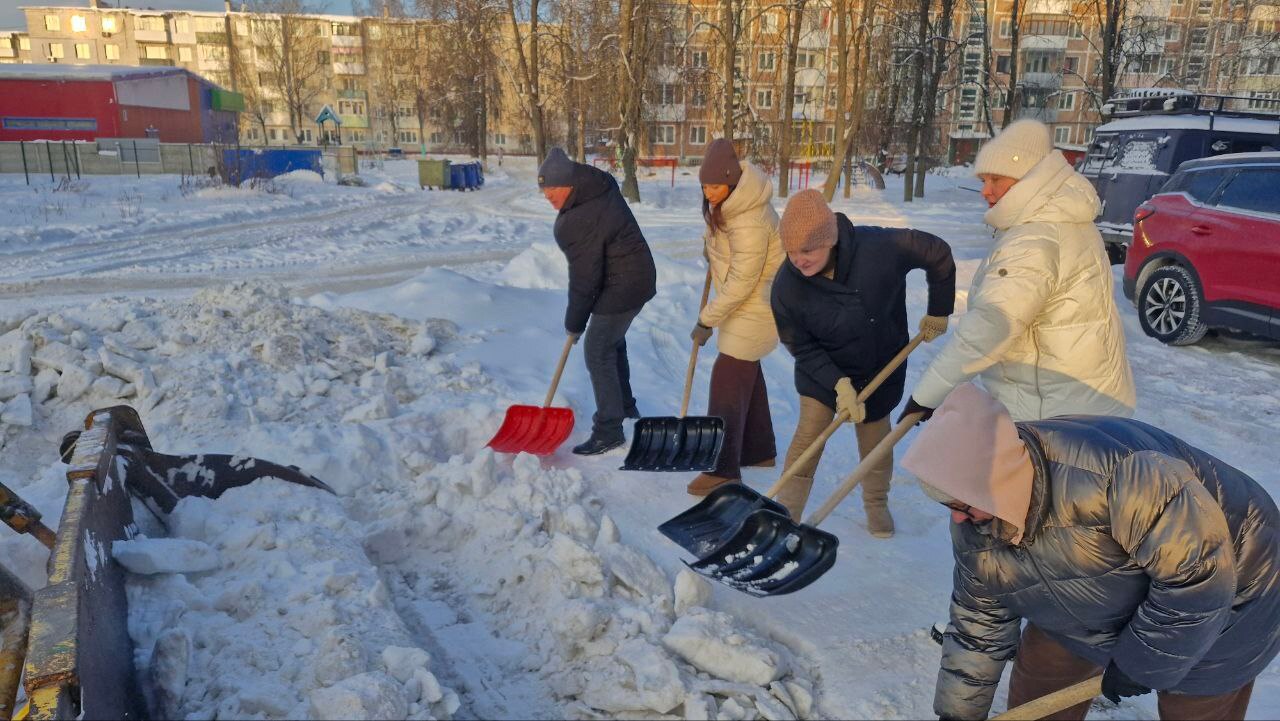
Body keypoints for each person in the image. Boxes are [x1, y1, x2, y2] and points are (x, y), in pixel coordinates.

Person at [902, 382, 1280, 721]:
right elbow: (977, 627)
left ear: (995, 481)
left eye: (961, 503)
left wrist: (1141, 662)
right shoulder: (976, 523)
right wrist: (958, 716)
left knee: (1195, 704)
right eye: (945, 504)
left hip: (1237, 588)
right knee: (1042, 681)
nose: (955, 517)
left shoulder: (1122, 477)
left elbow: (1199, 577)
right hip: (1091, 587)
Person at [901, 119, 1135, 425]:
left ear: (1029, 177)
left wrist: (925, 397)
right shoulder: (1066, 219)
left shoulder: (1034, 239)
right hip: (1087, 398)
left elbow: (990, 326)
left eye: (996, 179)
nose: (985, 191)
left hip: (1053, 412)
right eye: (983, 180)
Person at [769, 189, 955, 536]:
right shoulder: (786, 287)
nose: (798, 260)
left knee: (875, 440)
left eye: (807, 250)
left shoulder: (880, 249)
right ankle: (785, 514)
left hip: (878, 364)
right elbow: (801, 345)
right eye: (791, 251)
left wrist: (939, 310)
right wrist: (838, 384)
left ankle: (876, 504)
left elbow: (937, 253)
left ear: (830, 239)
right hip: (823, 374)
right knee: (809, 437)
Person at [539, 147, 657, 455]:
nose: (547, 195)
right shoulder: (597, 187)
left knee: (597, 349)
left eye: (551, 188)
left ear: (568, 183)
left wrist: (574, 323)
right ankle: (626, 408)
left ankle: (609, 430)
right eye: (543, 190)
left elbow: (585, 278)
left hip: (624, 283)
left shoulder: (579, 218)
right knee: (611, 341)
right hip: (636, 277)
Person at [686, 139, 786, 495]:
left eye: (714, 186)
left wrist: (706, 319)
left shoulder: (750, 220)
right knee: (746, 372)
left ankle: (723, 468)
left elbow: (743, 282)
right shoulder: (734, 205)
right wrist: (711, 246)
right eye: (704, 186)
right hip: (749, 303)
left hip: (758, 306)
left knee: (728, 377)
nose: (709, 193)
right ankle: (759, 450)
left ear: (731, 181)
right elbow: (732, 258)